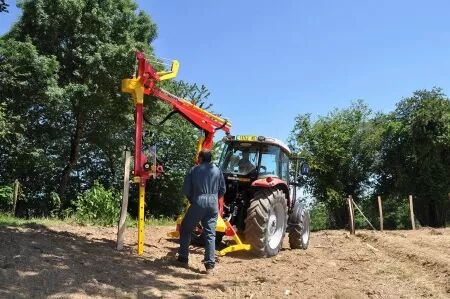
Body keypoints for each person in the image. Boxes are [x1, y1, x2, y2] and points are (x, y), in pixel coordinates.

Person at [177, 149, 226, 273]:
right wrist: (214, 198)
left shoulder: (194, 170)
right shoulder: (218, 170)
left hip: (199, 201)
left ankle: (183, 258)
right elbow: (222, 189)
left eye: (198, 157)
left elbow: (187, 190)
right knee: (210, 234)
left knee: (185, 228)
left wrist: (194, 200)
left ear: (201, 158)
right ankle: (210, 266)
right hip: (213, 203)